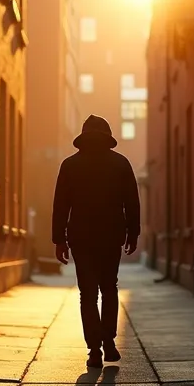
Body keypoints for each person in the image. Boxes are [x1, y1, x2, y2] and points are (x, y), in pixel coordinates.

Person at [52, 115, 141, 368]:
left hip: (81, 236)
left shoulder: (70, 165)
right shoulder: (120, 163)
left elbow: (61, 205)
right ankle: (110, 341)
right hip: (111, 234)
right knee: (109, 287)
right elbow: (132, 202)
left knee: (87, 294)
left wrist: (60, 240)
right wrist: (132, 233)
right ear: (108, 138)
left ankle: (94, 350)